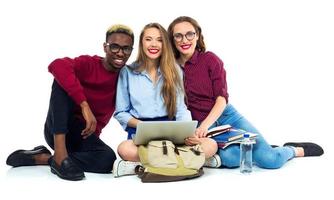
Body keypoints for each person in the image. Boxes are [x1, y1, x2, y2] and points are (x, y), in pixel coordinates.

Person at [167, 16, 324, 169]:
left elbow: (222, 99)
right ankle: (260, 149)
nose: (184, 40)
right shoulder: (170, 68)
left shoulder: (210, 59)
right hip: (199, 123)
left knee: (271, 160)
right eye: (178, 36)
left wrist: (205, 126)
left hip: (225, 115)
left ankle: (291, 150)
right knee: (232, 158)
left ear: (198, 35)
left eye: (190, 34)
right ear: (172, 40)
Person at [6, 24, 135, 181]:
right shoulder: (89, 64)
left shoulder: (128, 77)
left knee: (108, 160)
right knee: (61, 81)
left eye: (126, 49)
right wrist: (84, 105)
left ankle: (46, 158)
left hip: (85, 135)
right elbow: (57, 64)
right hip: (59, 128)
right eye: (114, 47)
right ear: (105, 47)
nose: (120, 53)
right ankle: (60, 157)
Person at [112, 23, 218, 177]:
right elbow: (121, 112)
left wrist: (188, 132)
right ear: (142, 43)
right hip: (142, 131)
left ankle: (144, 165)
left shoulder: (174, 70)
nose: (154, 44)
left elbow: (181, 108)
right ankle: (191, 161)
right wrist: (141, 125)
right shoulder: (127, 72)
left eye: (159, 40)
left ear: (165, 44)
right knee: (124, 148)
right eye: (148, 39)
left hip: (172, 130)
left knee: (211, 144)